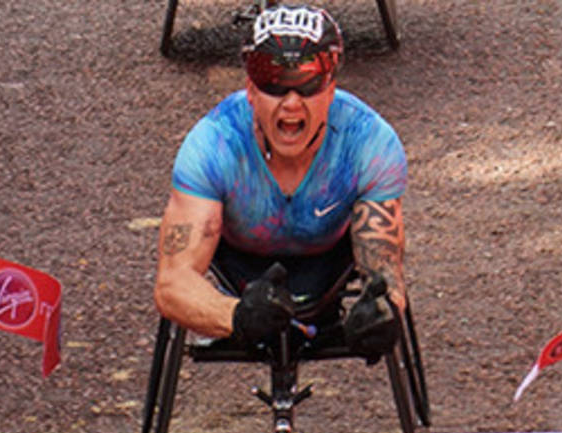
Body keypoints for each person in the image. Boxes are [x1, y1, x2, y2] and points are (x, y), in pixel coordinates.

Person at [153, 3, 408, 360]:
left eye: (307, 83)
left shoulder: (370, 142)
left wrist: (383, 310)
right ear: (251, 90)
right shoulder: (213, 144)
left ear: (331, 88)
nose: (290, 103)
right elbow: (172, 283)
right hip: (238, 261)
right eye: (273, 84)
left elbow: (384, 266)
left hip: (329, 257)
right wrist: (235, 315)